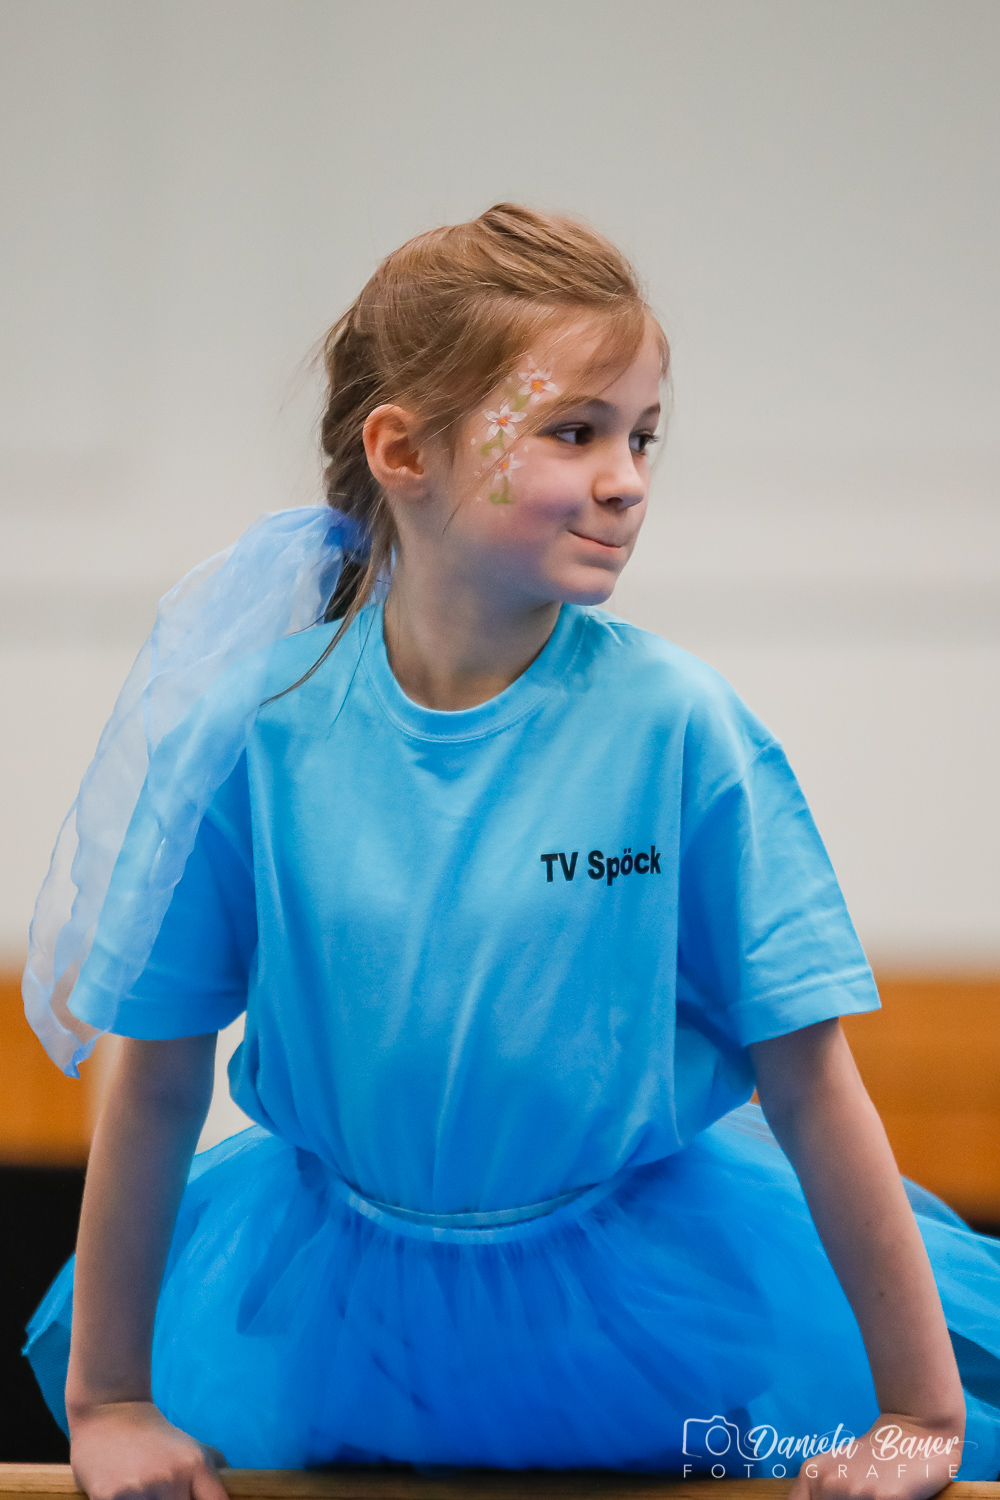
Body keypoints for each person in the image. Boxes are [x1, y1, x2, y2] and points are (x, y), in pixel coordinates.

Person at [22, 204, 1000, 1497]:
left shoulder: (678, 730)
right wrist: (111, 1399)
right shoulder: (254, 734)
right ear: (403, 451)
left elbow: (811, 1081)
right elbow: (155, 1080)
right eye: (574, 431)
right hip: (336, 1316)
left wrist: (919, 1411)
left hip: (639, 1315)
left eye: (643, 435)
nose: (628, 478)